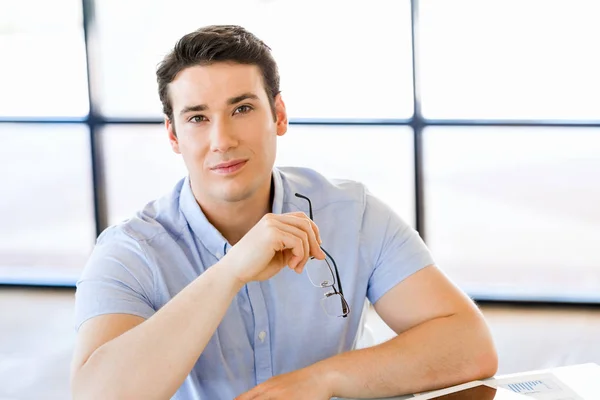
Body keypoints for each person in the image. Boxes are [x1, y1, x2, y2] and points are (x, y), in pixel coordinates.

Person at [70, 25, 498, 400]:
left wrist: (323, 379)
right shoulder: (130, 251)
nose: (222, 139)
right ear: (174, 135)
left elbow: (470, 344)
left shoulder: (352, 215)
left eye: (242, 109)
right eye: (198, 117)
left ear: (279, 114)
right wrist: (231, 271)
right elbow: (95, 395)